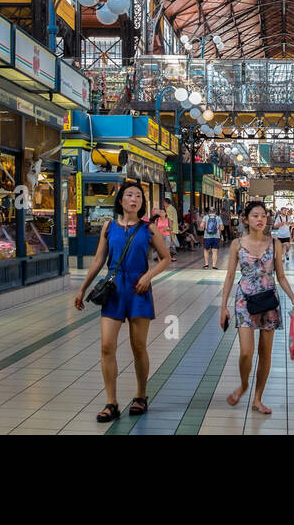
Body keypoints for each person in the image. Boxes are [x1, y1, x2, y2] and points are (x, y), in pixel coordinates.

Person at [74, 179, 171, 422]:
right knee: (107, 346)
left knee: (138, 347)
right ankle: (111, 402)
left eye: (138, 196)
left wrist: (148, 276)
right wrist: (82, 288)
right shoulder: (109, 227)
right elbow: (98, 261)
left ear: (142, 202)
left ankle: (140, 395)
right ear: (120, 200)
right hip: (114, 289)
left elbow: (166, 258)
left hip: (139, 289)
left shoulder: (149, 229)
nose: (134, 199)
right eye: (129, 195)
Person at [220, 201, 294, 415]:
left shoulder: (274, 243)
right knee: (246, 352)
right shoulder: (237, 244)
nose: (260, 219)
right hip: (244, 300)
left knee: (266, 353)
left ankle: (257, 398)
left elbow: (281, 276)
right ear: (246, 219)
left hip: (268, 300)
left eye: (263, 216)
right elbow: (230, 276)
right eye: (255, 215)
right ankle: (244, 384)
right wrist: (223, 307)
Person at [201, 204, 223, 269]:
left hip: (207, 236)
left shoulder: (205, 217)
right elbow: (222, 228)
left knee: (206, 250)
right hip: (216, 236)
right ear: (215, 212)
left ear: (209, 212)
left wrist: (205, 226)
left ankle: (206, 264)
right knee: (214, 251)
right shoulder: (218, 217)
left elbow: (201, 225)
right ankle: (214, 265)